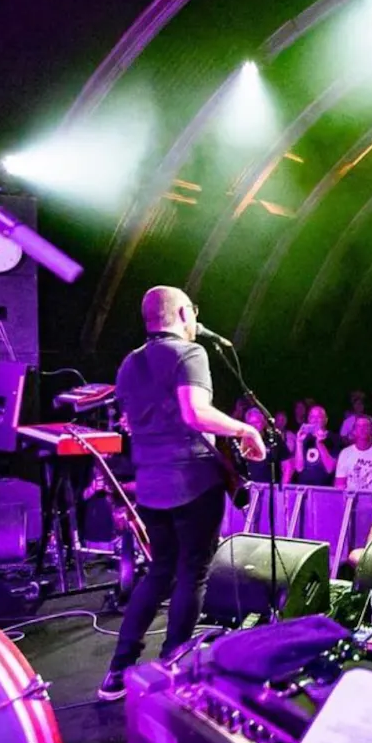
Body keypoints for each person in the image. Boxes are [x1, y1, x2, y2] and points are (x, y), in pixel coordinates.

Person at [98, 287, 265, 701]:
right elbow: (194, 412)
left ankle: (119, 670)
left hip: (152, 486)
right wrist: (245, 429)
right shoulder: (191, 354)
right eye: (193, 312)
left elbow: (133, 422)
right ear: (184, 313)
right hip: (192, 482)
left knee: (159, 572)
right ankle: (172, 665)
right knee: (193, 573)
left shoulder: (128, 364)